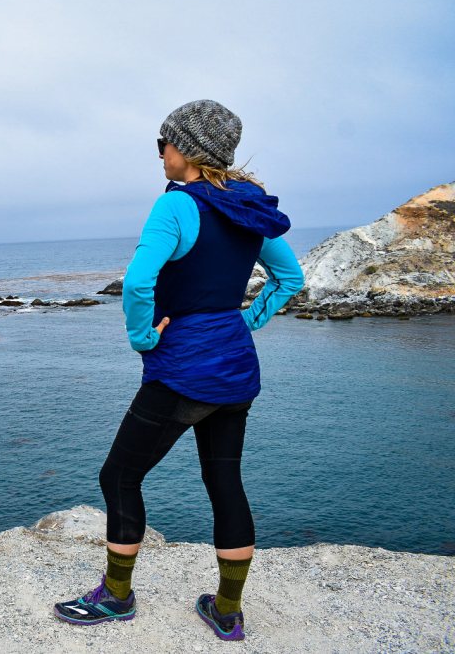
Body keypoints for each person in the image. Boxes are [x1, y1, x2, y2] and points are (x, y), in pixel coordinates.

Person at [53, 100, 305, 641]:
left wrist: (144, 337)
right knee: (224, 482)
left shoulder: (174, 209)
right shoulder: (248, 209)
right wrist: (249, 320)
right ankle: (228, 611)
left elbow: (139, 282)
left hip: (182, 371)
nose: (159, 154)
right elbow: (291, 278)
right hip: (236, 371)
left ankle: (117, 597)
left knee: (118, 476)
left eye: (162, 143)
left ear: (186, 150)